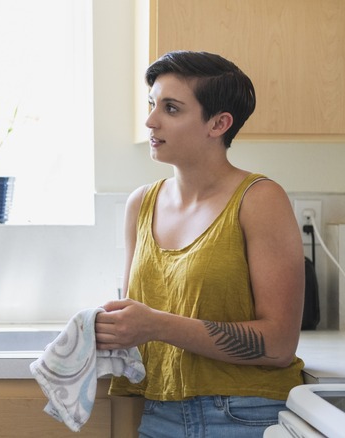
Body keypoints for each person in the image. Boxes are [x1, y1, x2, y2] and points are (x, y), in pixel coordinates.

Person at [95, 51, 305, 437]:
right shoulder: (141, 204)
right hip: (159, 414)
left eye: (171, 108)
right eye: (152, 104)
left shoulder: (259, 199)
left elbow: (278, 345)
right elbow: (137, 327)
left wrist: (155, 324)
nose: (150, 120)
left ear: (219, 123)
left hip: (246, 414)